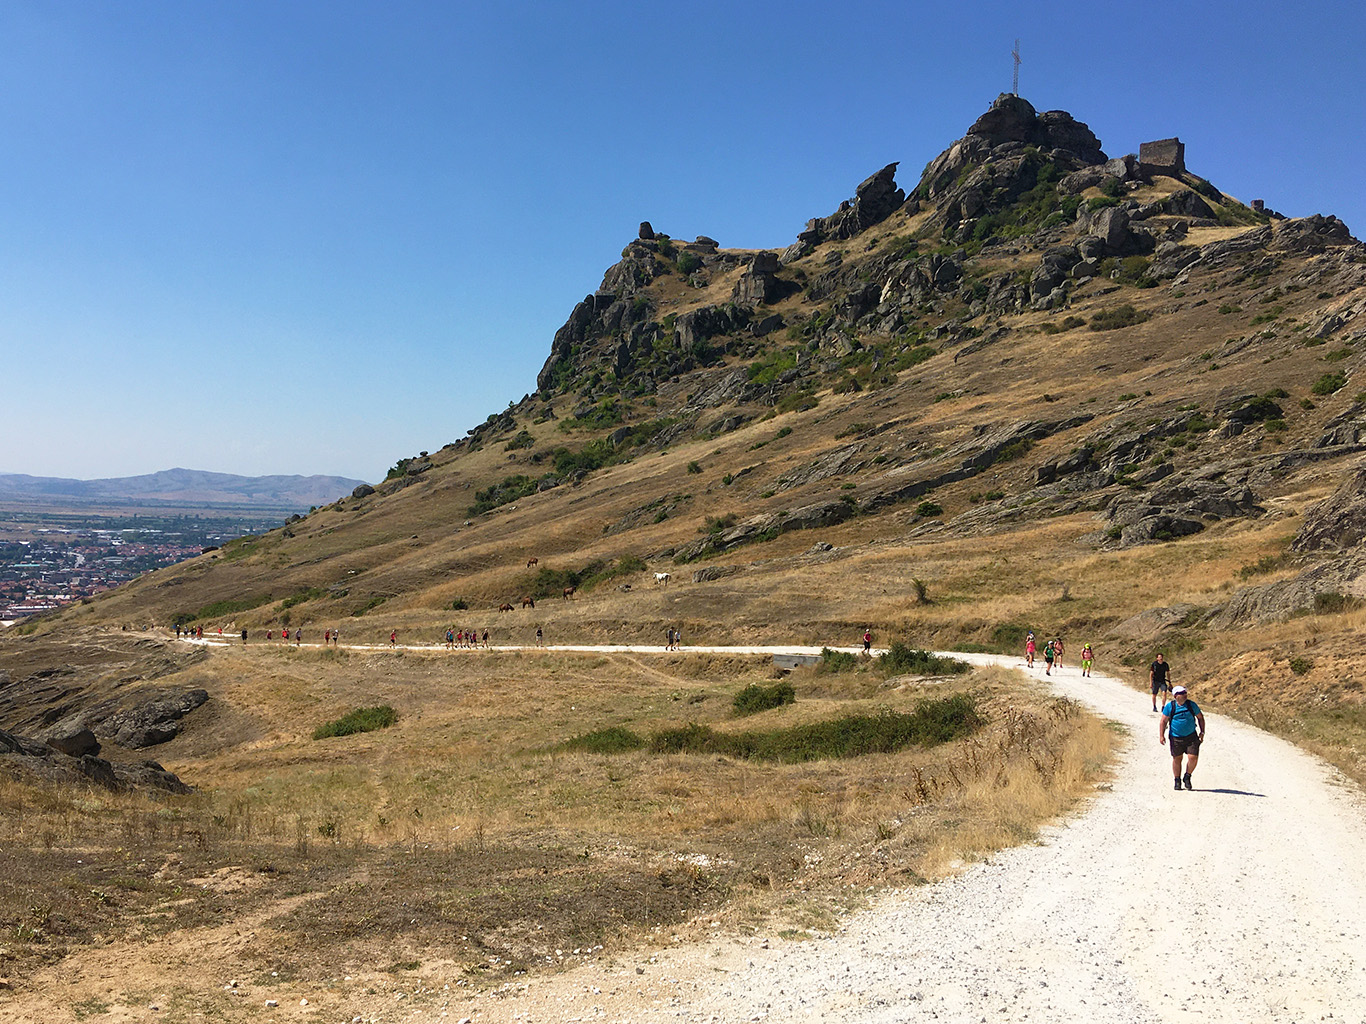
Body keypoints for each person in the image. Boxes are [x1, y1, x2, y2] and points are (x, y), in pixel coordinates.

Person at [1159, 685, 1205, 790]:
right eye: (1181, 693)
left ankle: (1187, 776)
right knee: (1177, 758)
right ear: (1175, 696)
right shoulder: (1170, 706)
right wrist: (1161, 735)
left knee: (1193, 757)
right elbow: (1163, 721)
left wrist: (1202, 732)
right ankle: (1177, 780)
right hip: (1176, 737)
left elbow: (1200, 718)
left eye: (1185, 693)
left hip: (1191, 736)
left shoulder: (1191, 705)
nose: (1184, 695)